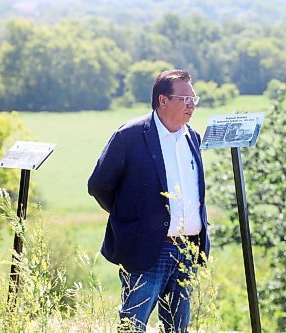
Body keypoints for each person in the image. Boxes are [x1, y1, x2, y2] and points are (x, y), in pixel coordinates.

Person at [88, 69, 210, 332]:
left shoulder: (193, 137)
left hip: (187, 250)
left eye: (194, 99)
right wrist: (131, 218)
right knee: (133, 325)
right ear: (163, 100)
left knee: (178, 328)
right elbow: (99, 185)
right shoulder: (129, 136)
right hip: (146, 249)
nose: (191, 105)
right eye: (184, 99)